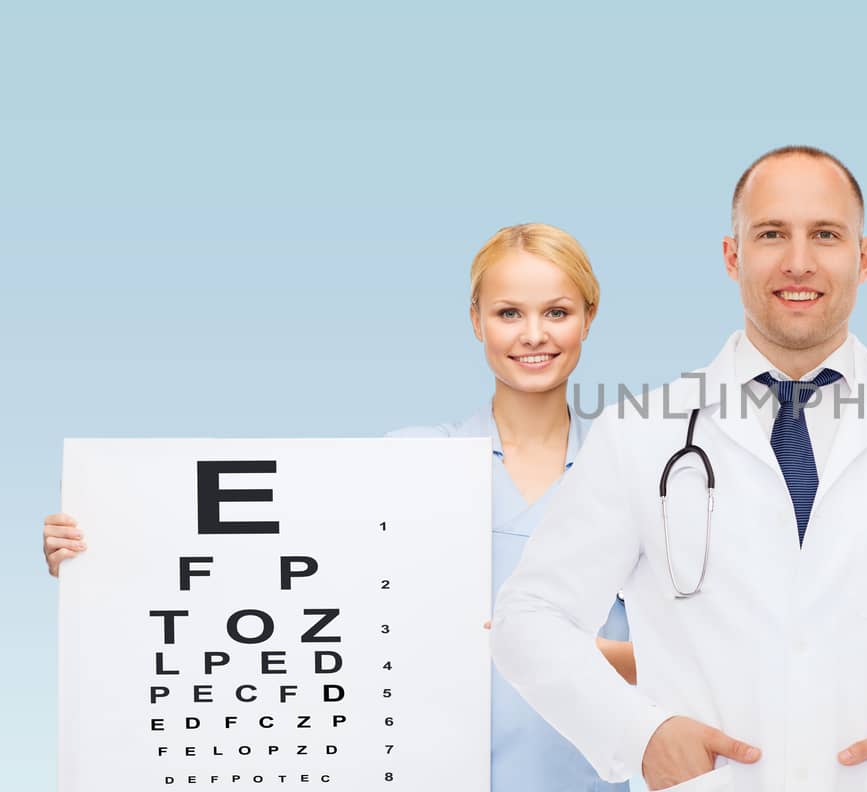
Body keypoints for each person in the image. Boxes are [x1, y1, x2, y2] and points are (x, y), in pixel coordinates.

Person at [490, 146, 867, 792]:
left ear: (865, 257)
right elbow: (530, 619)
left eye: (825, 235)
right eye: (771, 234)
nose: (798, 261)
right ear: (731, 255)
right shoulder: (641, 434)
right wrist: (638, 738)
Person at [44, 222, 637, 792]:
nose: (533, 334)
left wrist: (574, 656)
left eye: (556, 312)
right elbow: (264, 578)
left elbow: (687, 650)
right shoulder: (404, 463)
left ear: (589, 317)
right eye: (509, 312)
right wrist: (100, 555)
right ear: (476, 321)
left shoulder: (636, 475)